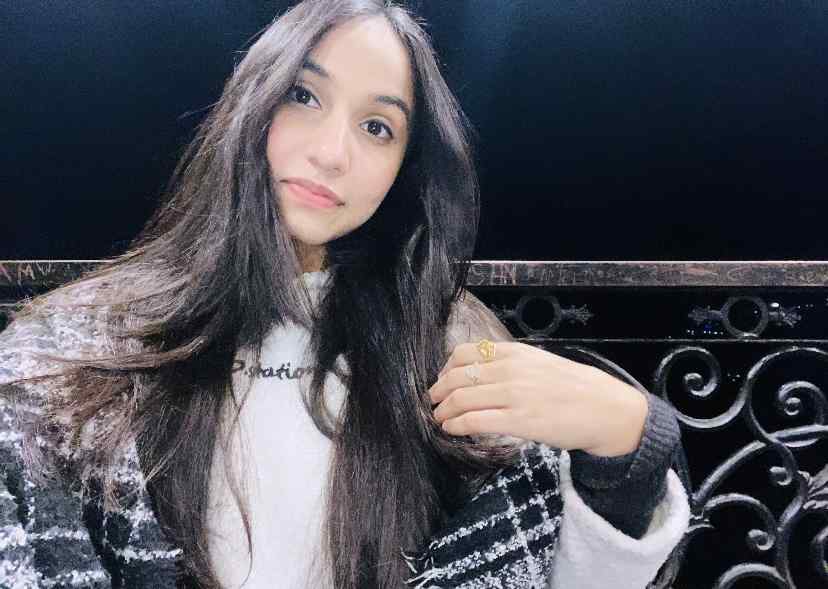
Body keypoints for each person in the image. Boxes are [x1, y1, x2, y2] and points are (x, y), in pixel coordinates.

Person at [0, 1, 689, 587]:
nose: (332, 153)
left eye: (377, 127)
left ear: (404, 170)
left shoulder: (444, 344)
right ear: (251, 102)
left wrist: (627, 445)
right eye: (303, 96)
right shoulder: (68, 352)